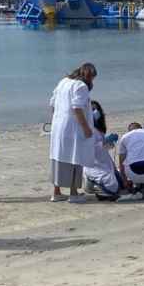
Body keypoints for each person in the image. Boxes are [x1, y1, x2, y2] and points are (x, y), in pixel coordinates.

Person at [49, 63, 97, 203]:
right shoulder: (81, 86)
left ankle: (56, 192)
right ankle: (74, 193)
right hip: (73, 127)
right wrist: (86, 128)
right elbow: (77, 108)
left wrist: (55, 121)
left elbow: (52, 103)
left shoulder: (63, 81)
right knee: (76, 157)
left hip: (59, 125)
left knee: (58, 156)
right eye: (92, 78)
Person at [84, 100, 124, 200]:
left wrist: (110, 142)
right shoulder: (86, 129)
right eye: (92, 109)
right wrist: (104, 142)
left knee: (121, 183)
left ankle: (95, 183)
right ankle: (90, 181)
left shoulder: (99, 129)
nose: (95, 112)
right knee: (113, 187)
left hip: (103, 162)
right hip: (93, 164)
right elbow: (89, 149)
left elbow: (104, 149)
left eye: (96, 109)